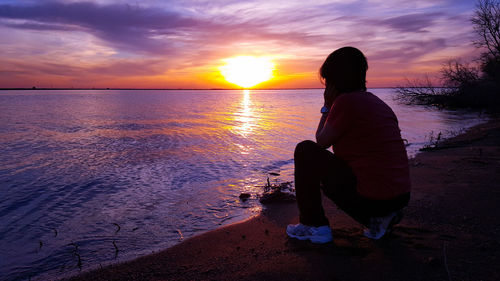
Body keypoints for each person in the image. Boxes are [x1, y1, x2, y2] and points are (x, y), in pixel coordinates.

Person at [286, 47, 411, 243]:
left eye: (327, 81)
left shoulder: (347, 102)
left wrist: (327, 106)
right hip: (399, 197)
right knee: (337, 166)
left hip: (374, 198)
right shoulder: (377, 103)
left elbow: (321, 142)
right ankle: (380, 219)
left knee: (305, 150)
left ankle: (313, 225)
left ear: (334, 81)